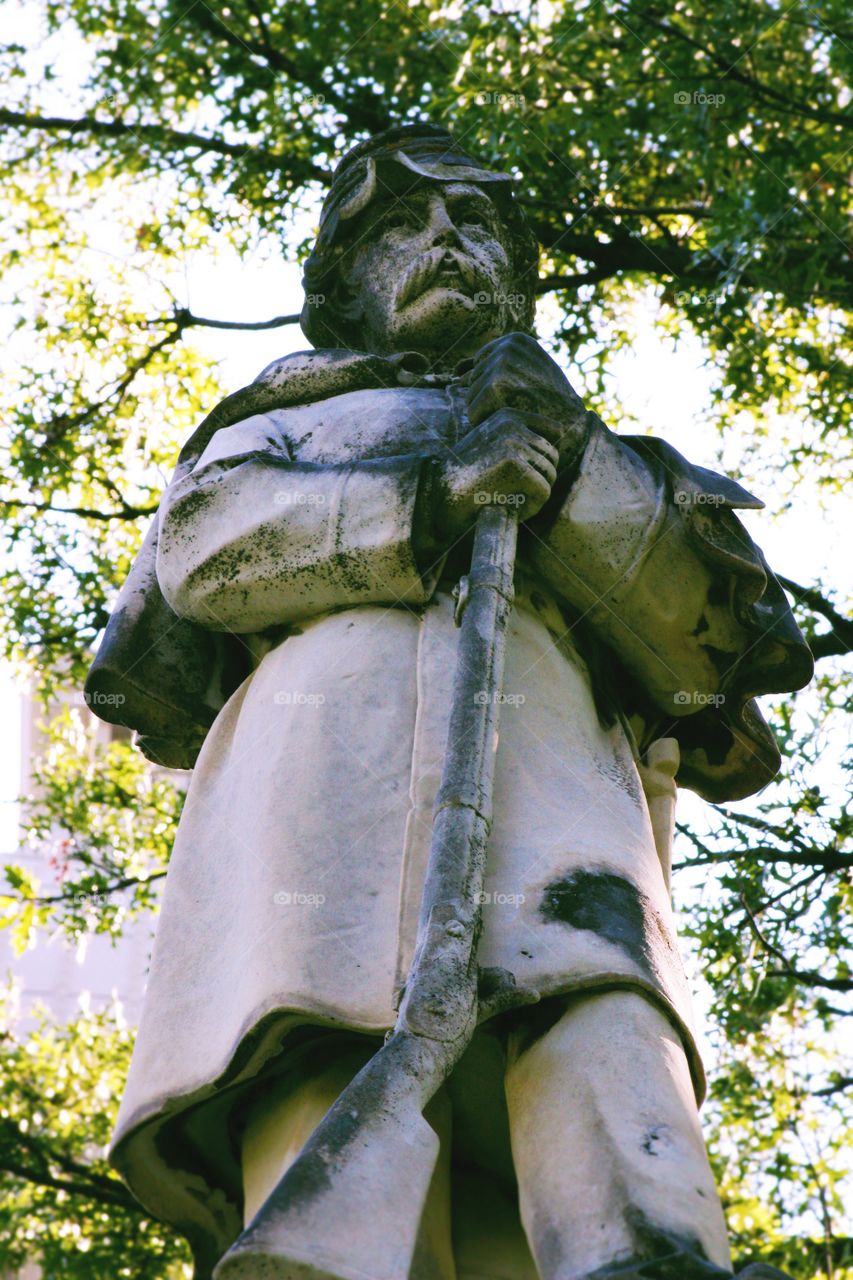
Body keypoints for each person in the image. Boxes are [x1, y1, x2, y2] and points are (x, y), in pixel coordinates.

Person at [87, 123, 811, 1280]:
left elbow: (708, 640)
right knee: (313, 1023)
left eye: (474, 223)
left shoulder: (600, 452)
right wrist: (429, 499)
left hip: (559, 782)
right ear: (342, 282)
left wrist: (568, 471)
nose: (442, 240)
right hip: (323, 771)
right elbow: (206, 551)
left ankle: (649, 1250)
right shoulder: (280, 420)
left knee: (595, 1004)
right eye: (399, 225)